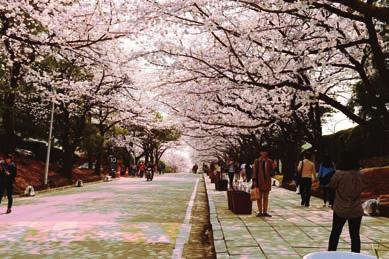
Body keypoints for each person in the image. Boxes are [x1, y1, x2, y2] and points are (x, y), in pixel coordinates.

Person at [328, 151, 363, 253]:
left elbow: (331, 187)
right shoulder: (360, 174)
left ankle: (331, 254)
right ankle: (356, 256)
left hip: (340, 208)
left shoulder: (338, 174)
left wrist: (332, 202)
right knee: (355, 236)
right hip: (356, 208)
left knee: (335, 233)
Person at [252, 146, 275, 217]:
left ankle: (265, 211)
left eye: (265, 151)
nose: (264, 153)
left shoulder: (270, 161)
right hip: (259, 181)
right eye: (262, 151)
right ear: (260, 152)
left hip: (267, 181)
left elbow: (272, 171)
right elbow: (255, 171)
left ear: (267, 152)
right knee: (259, 197)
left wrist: (274, 168)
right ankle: (260, 211)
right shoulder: (257, 161)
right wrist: (254, 180)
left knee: (266, 197)